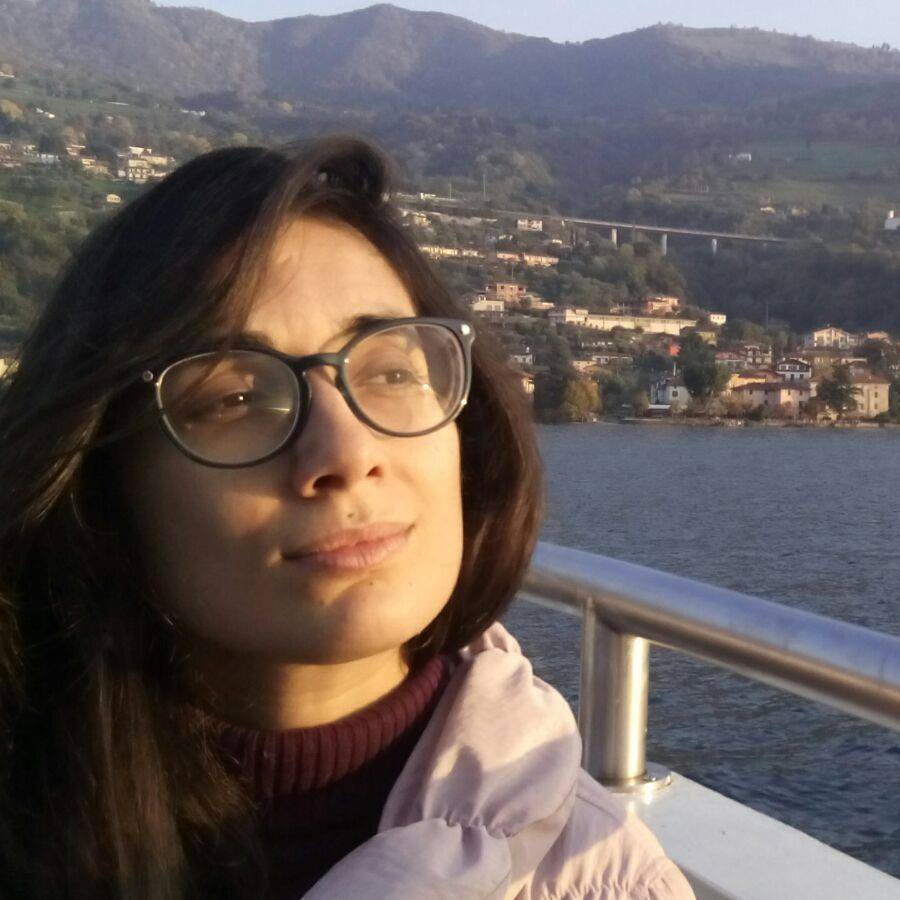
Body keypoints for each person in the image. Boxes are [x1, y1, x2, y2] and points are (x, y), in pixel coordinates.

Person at [0, 136, 695, 899]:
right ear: (100, 483)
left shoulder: (603, 883)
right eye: (236, 397)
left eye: (391, 370)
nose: (347, 449)